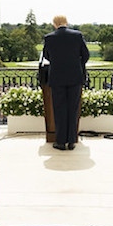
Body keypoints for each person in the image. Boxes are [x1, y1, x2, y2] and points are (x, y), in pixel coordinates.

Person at [42, 15, 89, 151]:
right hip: (75, 77)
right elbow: (85, 55)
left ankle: (61, 142)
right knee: (73, 109)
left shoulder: (49, 38)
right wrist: (76, 65)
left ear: (54, 24)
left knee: (59, 109)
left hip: (57, 78)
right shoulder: (77, 35)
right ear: (66, 22)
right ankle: (72, 141)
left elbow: (46, 56)